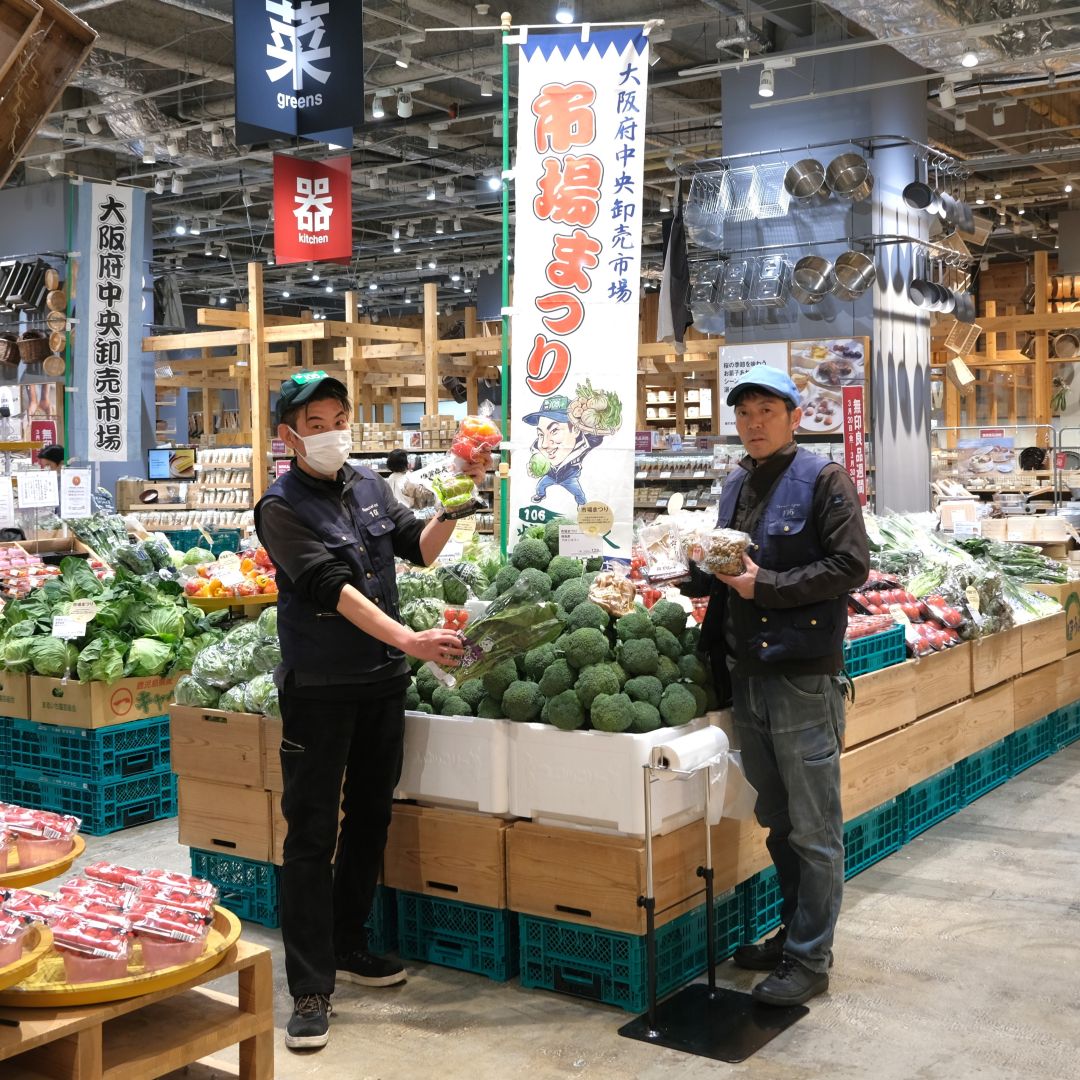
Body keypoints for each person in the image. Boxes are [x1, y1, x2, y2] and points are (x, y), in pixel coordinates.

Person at [253, 371, 491, 1052]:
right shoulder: (280, 506)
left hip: (381, 683)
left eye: (338, 416)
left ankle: (351, 942)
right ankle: (309, 986)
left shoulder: (365, 483)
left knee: (371, 817)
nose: (332, 431)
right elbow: (332, 590)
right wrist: (411, 641)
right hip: (320, 688)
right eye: (316, 422)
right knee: (310, 834)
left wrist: (458, 497)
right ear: (289, 434)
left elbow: (416, 549)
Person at [692, 364, 869, 1007]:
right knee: (777, 818)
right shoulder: (736, 482)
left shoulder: (824, 479)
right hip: (746, 675)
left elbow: (851, 565)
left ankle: (810, 958)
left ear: (795, 416)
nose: (753, 422)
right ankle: (793, 934)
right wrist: (683, 571)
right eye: (743, 413)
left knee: (815, 827)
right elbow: (724, 569)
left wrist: (764, 587)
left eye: (767, 410)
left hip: (800, 676)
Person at [524, 395, 603, 506]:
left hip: (568, 477)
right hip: (550, 476)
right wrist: (532, 467)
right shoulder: (538, 448)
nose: (544, 444)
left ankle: (582, 504)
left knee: (578, 492)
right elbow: (535, 453)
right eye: (541, 434)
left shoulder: (585, 443)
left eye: (554, 430)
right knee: (540, 486)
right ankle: (540, 495)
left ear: (575, 429)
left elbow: (598, 436)